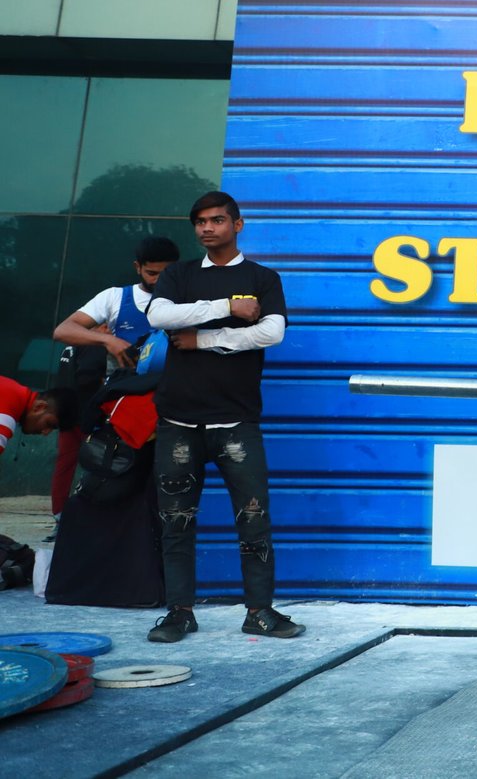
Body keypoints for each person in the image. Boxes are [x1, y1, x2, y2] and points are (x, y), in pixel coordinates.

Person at [143, 190, 302, 642]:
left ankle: (260, 612)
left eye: (216, 220)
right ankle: (179, 613)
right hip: (178, 422)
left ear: (237, 224)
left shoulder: (262, 277)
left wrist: (205, 340)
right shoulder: (178, 274)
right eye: (200, 222)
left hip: (236, 422)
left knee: (254, 520)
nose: (207, 228)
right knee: (176, 523)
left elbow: (271, 332)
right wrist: (228, 308)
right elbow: (159, 316)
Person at [51, 235, 181, 519]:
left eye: (167, 273)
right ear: (137, 267)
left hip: (172, 409)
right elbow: (63, 330)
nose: (159, 280)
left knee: (167, 488)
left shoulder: (187, 300)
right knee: (118, 484)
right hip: (124, 415)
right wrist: (106, 340)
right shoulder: (114, 298)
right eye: (152, 273)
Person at [0, 376, 73, 466]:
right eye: (48, 424)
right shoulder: (7, 414)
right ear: (39, 407)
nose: (46, 432)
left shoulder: (11, 387)